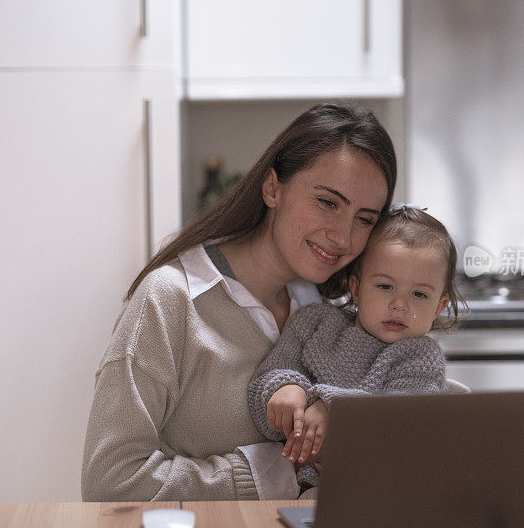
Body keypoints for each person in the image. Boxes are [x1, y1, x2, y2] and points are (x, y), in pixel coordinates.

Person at [81, 103, 397, 501]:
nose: (343, 237)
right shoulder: (169, 300)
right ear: (272, 188)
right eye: (328, 202)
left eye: (364, 219)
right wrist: (268, 474)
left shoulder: (332, 316)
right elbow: (110, 484)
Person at [248, 205, 462, 492]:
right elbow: (270, 376)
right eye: (385, 286)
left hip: (385, 491)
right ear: (357, 288)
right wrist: (285, 390)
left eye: (419, 294)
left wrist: (332, 408)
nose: (400, 304)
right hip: (296, 486)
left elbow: (401, 421)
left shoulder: (420, 356)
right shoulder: (314, 322)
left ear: (439, 306)